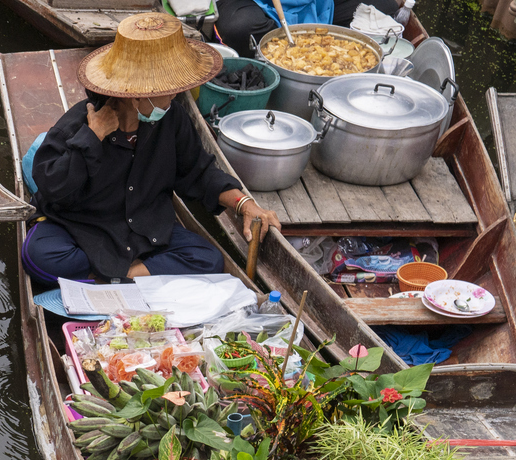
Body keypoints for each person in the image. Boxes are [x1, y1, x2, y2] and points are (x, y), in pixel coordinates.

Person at [24, 14, 278, 284]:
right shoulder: (79, 124)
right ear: (136, 95)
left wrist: (244, 204)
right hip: (83, 228)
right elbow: (51, 188)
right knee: (40, 256)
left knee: (209, 259)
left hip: (145, 230)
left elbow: (199, 173)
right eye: (166, 91)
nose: (174, 96)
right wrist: (92, 136)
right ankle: (132, 276)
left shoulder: (172, 118)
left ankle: (124, 275)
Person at [215, 0, 406, 71]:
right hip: (256, 3)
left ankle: (304, 37)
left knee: (389, 5)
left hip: (318, 2)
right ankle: (283, 44)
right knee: (239, 28)